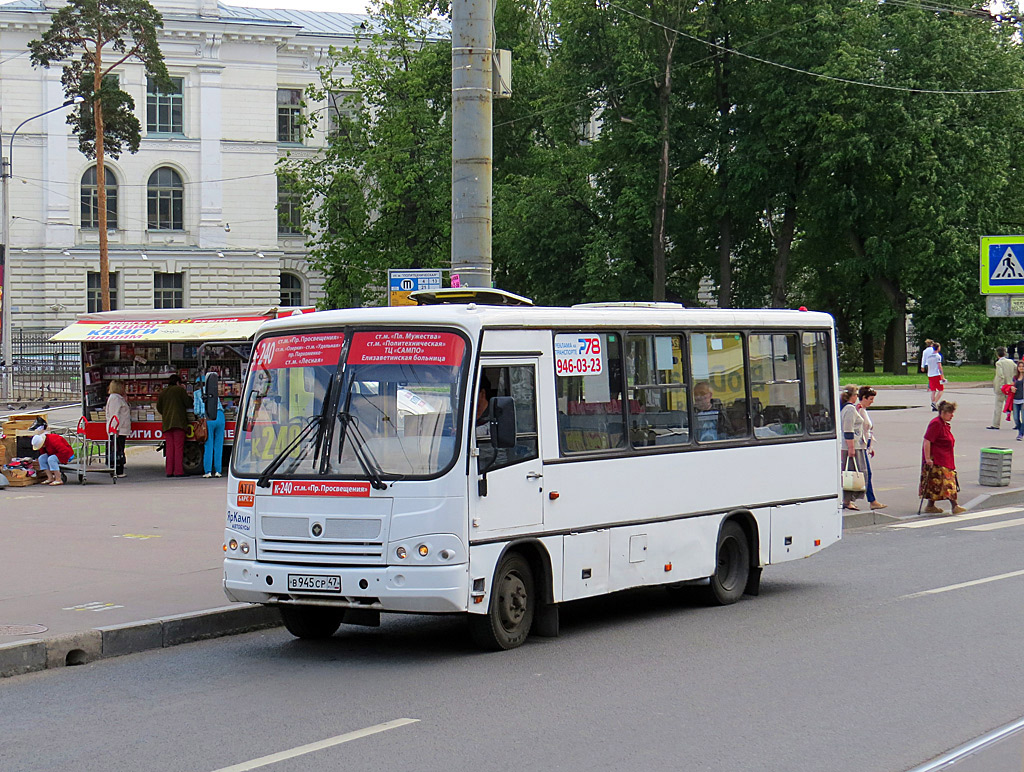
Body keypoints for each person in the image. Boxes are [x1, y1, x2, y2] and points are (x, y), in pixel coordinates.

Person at [919, 400, 965, 515]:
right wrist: (928, 458)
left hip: (945, 458)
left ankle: (930, 506)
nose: (952, 415)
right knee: (947, 483)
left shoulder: (944, 424)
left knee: (935, 484)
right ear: (943, 412)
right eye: (950, 413)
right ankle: (955, 506)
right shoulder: (936, 423)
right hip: (938, 459)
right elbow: (927, 441)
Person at [857, 386, 885, 510]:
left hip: (864, 446)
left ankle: (871, 500)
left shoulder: (863, 410)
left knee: (864, 474)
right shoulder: (858, 411)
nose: (872, 401)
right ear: (863, 398)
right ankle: (872, 500)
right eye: (870, 399)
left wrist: (870, 446)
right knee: (866, 473)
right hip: (859, 447)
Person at [156, 374, 190, 477]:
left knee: (170, 448)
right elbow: (188, 403)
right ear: (178, 382)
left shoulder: (163, 392)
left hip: (167, 423)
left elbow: (159, 407)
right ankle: (178, 471)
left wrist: (166, 413)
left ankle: (169, 471)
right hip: (179, 422)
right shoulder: (180, 390)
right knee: (179, 447)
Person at [840, 384, 866, 511]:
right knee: (852, 473)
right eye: (856, 395)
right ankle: (847, 500)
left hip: (852, 445)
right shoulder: (850, 409)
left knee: (850, 472)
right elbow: (848, 429)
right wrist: (851, 448)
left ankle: (848, 499)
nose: (857, 397)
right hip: (851, 445)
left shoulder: (846, 408)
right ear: (852, 396)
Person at [201, 371, 225, 478]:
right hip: (220, 416)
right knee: (218, 445)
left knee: (208, 445)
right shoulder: (214, 392)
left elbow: (198, 410)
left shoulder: (198, 393)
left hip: (209, 417)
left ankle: (208, 471)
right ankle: (218, 471)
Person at [105, 379, 131, 477]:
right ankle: (117, 470)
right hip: (118, 429)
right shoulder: (115, 398)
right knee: (117, 450)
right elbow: (114, 415)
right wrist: (115, 428)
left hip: (120, 429)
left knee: (119, 449)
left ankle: (118, 468)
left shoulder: (118, 398)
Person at [989, 347, 1017, 430]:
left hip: (1002, 387)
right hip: (1010, 386)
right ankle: (1017, 423)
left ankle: (996, 424)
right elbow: (1016, 371)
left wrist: (1001, 385)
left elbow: (1000, 375)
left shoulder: (999, 363)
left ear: (997, 355)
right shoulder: (1011, 362)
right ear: (1005, 353)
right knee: (1012, 405)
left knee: (998, 405)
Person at [925, 341, 944, 411]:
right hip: (936, 374)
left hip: (930, 374)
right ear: (938, 348)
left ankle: (933, 406)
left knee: (933, 390)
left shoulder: (929, 357)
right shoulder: (938, 356)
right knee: (941, 390)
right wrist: (942, 376)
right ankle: (934, 402)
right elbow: (939, 366)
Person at [1012, 360, 1024, 441]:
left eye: (1022, 366)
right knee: (1016, 418)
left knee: (1023, 418)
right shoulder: (1015, 377)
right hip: (1015, 399)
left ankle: (1020, 434)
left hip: (1023, 399)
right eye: (1019, 366)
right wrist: (1011, 388)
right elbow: (1011, 385)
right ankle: (1021, 431)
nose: (1021, 368)